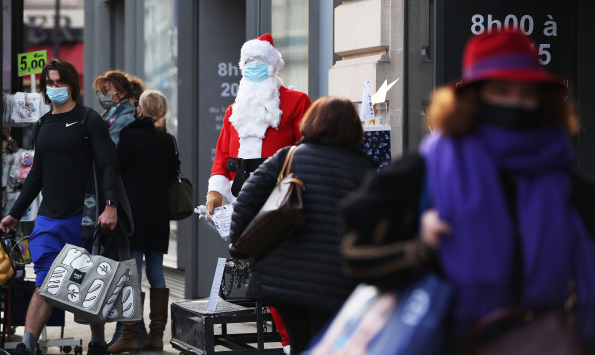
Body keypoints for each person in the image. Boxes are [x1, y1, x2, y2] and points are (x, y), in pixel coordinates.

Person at [340, 30, 595, 353]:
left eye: (527, 94)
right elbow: (354, 255)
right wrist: (421, 248)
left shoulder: (561, 177)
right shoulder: (428, 169)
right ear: (474, 98)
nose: (516, 103)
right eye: (501, 91)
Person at [228, 97, 375, 355]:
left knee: (299, 345)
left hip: (283, 277)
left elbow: (245, 202)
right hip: (336, 282)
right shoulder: (364, 169)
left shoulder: (289, 156)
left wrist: (240, 249)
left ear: (313, 121)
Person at [0, 58, 119, 355]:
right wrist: (14, 213)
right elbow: (36, 174)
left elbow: (107, 165)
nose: (53, 88)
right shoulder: (43, 124)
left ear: (71, 85)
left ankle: (98, 341)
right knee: (47, 279)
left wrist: (110, 204)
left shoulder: (89, 120)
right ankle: (27, 345)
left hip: (85, 217)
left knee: (87, 283)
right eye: (48, 83)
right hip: (49, 217)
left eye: (58, 82)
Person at [205, 33, 311, 354]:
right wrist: (216, 189)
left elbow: (306, 151)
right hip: (244, 201)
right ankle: (287, 337)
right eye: (248, 63)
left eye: (259, 62)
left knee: (281, 274)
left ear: (274, 66)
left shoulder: (296, 101)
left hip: (281, 201)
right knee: (261, 273)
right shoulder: (234, 110)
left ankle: (293, 339)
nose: (253, 68)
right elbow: (223, 153)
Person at [108, 90, 179, 353]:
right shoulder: (168, 140)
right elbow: (172, 175)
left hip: (133, 212)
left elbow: (118, 170)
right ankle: (156, 336)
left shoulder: (129, 136)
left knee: (133, 272)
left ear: (140, 110)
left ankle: (130, 334)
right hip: (159, 213)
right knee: (157, 272)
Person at [92, 70, 137, 145]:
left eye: (107, 91)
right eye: (102, 91)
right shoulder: (110, 115)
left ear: (122, 93)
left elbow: (110, 147)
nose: (103, 95)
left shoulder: (126, 118)